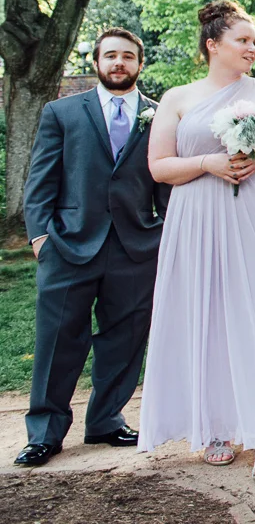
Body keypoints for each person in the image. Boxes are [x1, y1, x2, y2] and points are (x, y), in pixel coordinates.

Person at [138, 0, 255, 481]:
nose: (252, 48)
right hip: (199, 215)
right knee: (210, 314)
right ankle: (217, 427)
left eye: (254, 40)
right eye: (243, 40)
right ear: (214, 44)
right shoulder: (177, 98)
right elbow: (159, 167)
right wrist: (207, 164)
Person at [16, 29, 170, 467]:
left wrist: (163, 235)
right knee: (58, 338)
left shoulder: (159, 117)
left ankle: (106, 419)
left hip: (135, 246)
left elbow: (163, 185)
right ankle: (45, 431)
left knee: (125, 338)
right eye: (110, 56)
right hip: (68, 243)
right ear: (97, 62)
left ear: (140, 63)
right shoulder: (61, 112)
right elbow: (40, 180)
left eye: (127, 57)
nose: (118, 63)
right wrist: (41, 237)